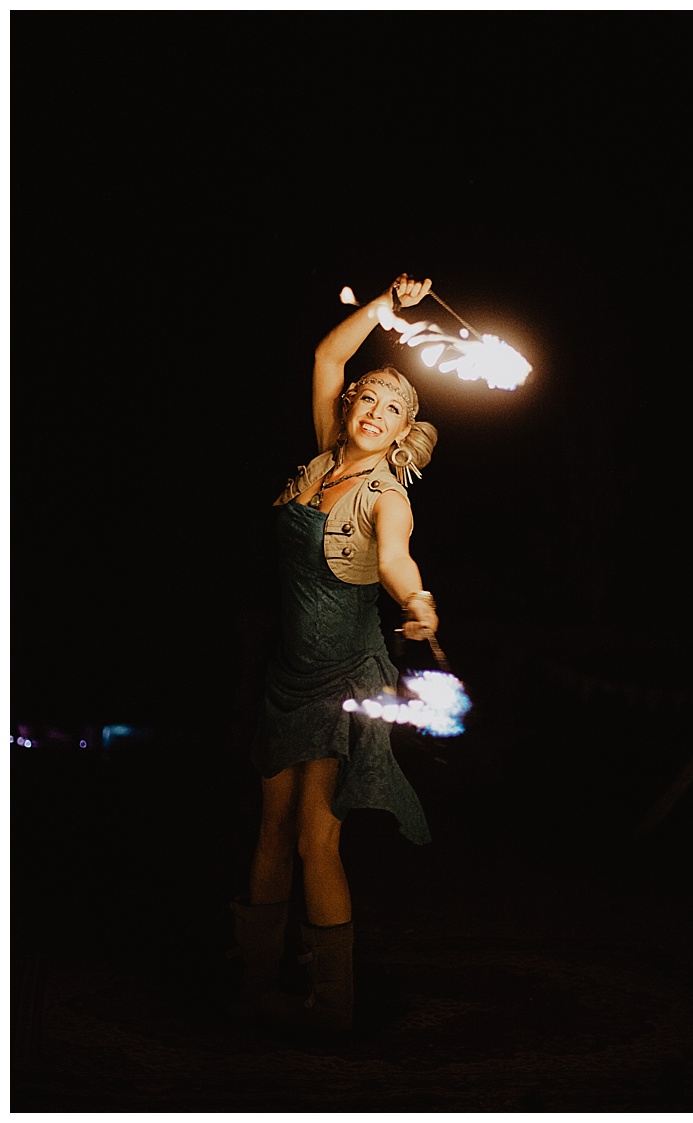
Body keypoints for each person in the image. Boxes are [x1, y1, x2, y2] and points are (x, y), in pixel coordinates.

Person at [229, 273, 442, 1034]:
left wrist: (416, 601)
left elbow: (394, 560)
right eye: (366, 397)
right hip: (288, 672)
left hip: (344, 673)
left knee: (317, 832)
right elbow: (328, 354)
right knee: (270, 825)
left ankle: (333, 1006)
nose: (374, 413)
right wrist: (385, 308)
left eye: (392, 408)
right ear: (348, 404)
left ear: (401, 427)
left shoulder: (387, 493)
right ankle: (256, 986)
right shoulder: (322, 458)